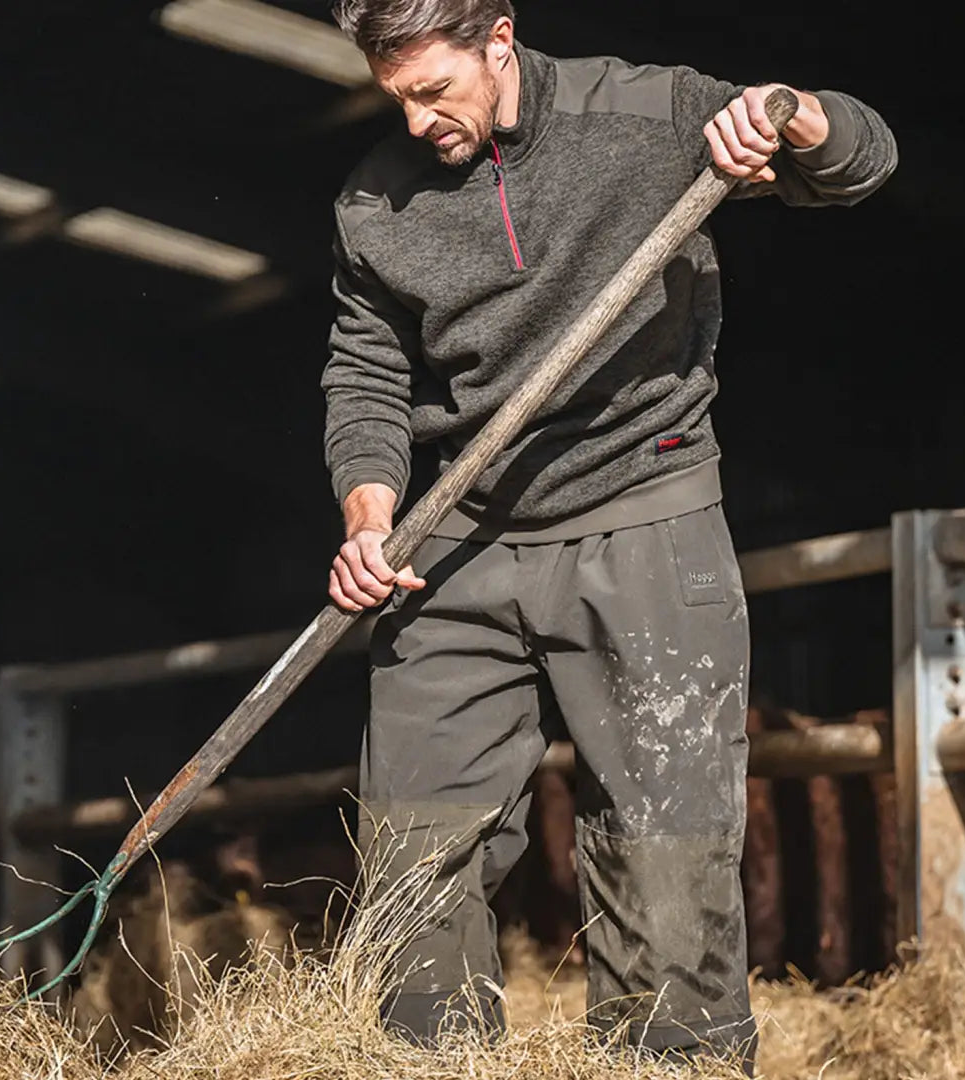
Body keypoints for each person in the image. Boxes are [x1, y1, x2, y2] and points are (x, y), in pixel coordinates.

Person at [321, 1, 896, 1071]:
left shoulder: (640, 113)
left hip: (644, 512)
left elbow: (859, 161)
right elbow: (366, 376)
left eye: (432, 90)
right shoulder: (375, 201)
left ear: (498, 38)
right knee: (410, 859)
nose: (414, 123)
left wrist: (788, 115)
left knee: (665, 856)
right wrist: (368, 515)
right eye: (393, 97)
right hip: (456, 535)